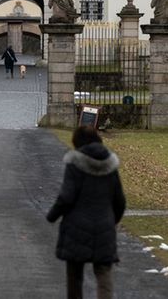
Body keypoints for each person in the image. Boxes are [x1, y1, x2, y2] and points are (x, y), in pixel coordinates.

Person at [46, 126, 126, 299]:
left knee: (74, 276)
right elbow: (120, 200)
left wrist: (52, 215)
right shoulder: (110, 165)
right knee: (104, 273)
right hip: (104, 225)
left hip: (77, 226)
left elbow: (66, 197)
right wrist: (112, 220)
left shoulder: (74, 164)